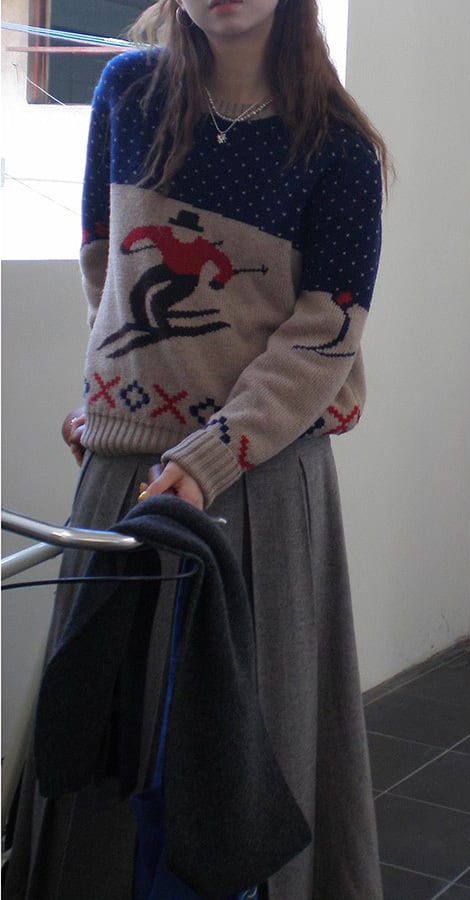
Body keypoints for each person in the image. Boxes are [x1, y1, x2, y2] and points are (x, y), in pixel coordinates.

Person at [4, 1, 387, 897]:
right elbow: (106, 264)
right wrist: (108, 392)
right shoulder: (127, 93)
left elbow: (324, 331)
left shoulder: (338, 147)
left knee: (241, 752)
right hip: (127, 469)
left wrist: (211, 454)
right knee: (101, 734)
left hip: (257, 481)